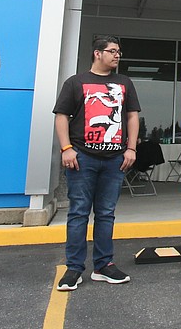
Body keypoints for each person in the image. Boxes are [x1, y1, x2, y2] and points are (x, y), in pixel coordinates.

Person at [52, 36, 141, 291]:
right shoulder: (76, 82)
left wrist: (131, 148)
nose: (117, 56)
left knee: (106, 214)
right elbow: (61, 117)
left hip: (115, 159)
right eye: (112, 51)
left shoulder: (124, 83)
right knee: (79, 212)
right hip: (82, 157)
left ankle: (103, 266)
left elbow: (132, 116)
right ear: (97, 53)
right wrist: (66, 148)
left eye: (119, 52)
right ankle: (74, 268)